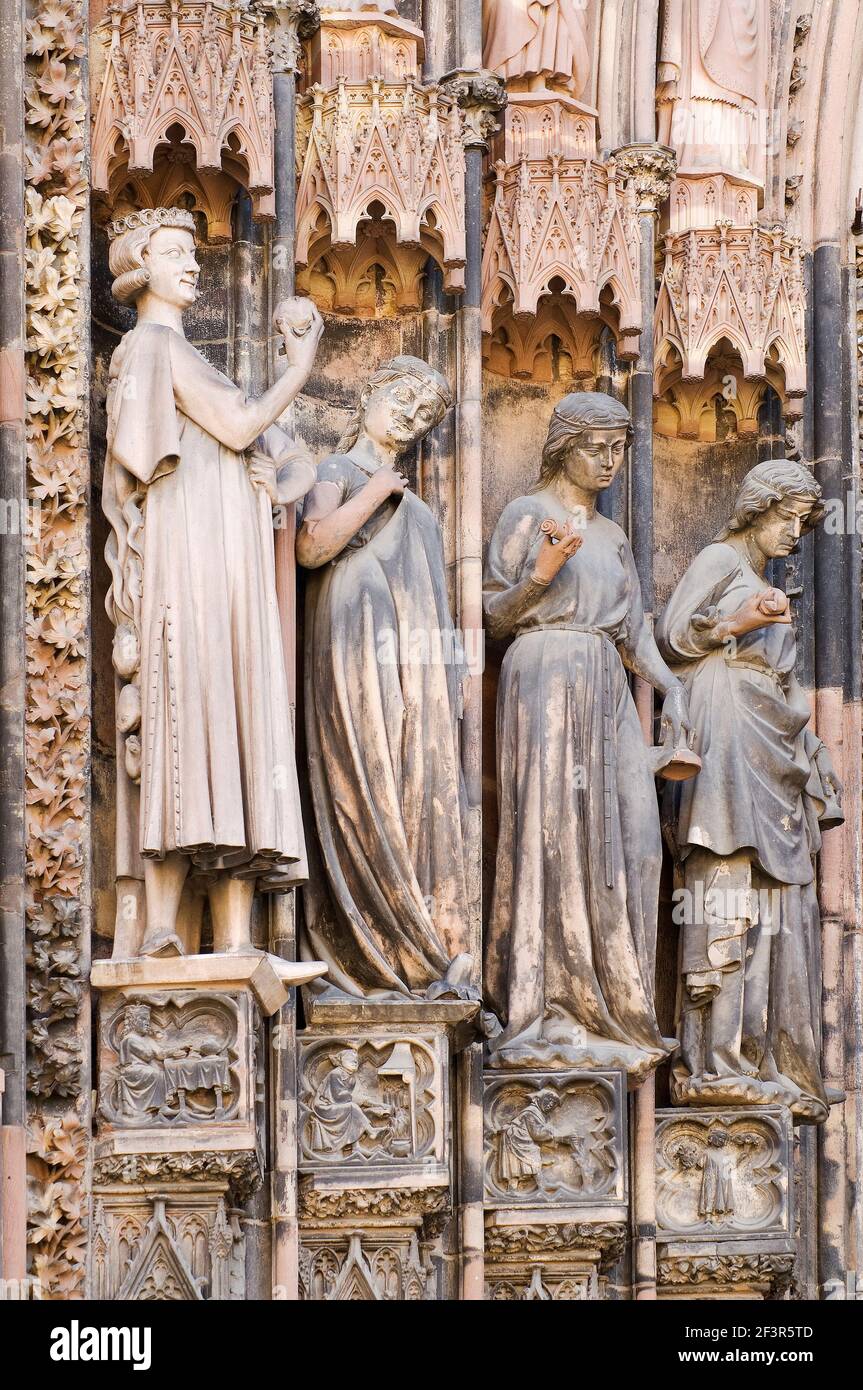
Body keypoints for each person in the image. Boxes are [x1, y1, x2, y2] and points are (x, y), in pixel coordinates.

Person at [102, 207, 322, 957]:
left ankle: (232, 935)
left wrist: (267, 477)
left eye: (192, 252)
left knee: (227, 726)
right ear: (139, 267)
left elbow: (256, 450)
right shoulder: (149, 347)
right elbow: (235, 425)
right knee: (187, 724)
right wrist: (298, 364)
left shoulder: (181, 355)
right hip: (189, 563)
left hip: (224, 565)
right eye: (173, 253)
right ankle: (163, 926)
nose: (191, 265)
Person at [483, 392, 690, 1076]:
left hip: (604, 680)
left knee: (635, 841)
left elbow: (634, 633)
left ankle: (617, 1006)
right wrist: (540, 575)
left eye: (618, 449)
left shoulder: (611, 536)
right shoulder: (525, 514)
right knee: (550, 831)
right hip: (543, 669)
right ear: (560, 447)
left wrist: (672, 686)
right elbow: (492, 615)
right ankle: (544, 1006)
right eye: (593, 448)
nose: (607, 462)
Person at [656, 460, 843, 1122]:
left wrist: (810, 750)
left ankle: (756, 1054)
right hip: (723, 721)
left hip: (766, 738)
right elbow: (670, 635)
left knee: (769, 898)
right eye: (787, 519)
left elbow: (784, 682)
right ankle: (714, 1063)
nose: (795, 533)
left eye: (803, 522)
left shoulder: (765, 581)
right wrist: (735, 622)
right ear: (757, 509)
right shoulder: (716, 559)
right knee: (723, 878)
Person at [297, 356, 475, 999]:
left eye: (425, 412)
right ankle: (365, 943)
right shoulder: (338, 471)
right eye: (403, 394)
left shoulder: (423, 514)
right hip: (348, 650)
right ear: (372, 392)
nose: (411, 412)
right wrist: (375, 492)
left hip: (410, 672)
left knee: (407, 789)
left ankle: (415, 940)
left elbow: (433, 606)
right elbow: (311, 547)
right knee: (359, 777)